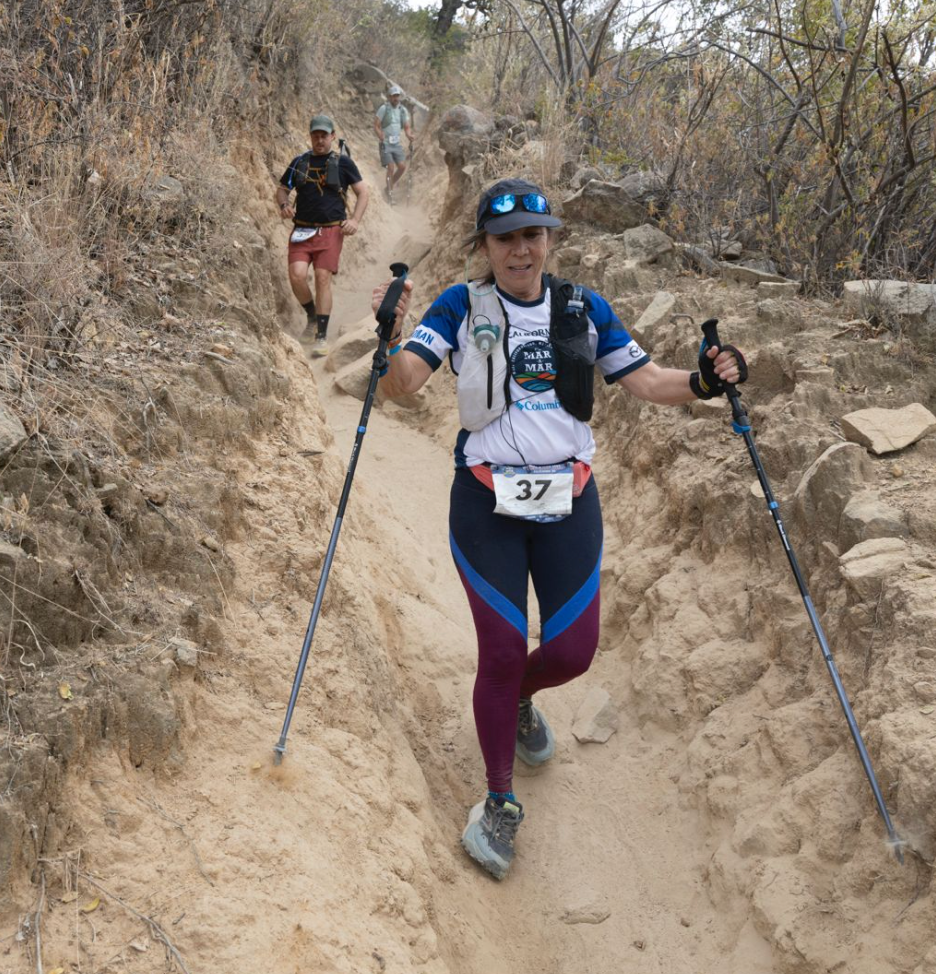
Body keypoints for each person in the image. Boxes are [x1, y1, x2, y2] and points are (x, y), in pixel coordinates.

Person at [370, 178, 748, 880]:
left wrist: (704, 380)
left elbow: (649, 381)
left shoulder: (583, 308)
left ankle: (517, 701)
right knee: (505, 648)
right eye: (506, 236)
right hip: (485, 504)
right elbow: (404, 384)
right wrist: (391, 339)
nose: (521, 248)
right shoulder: (462, 306)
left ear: (550, 241)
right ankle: (500, 801)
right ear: (484, 245)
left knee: (573, 651)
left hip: (569, 499)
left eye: (533, 234)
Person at [276, 114, 369, 357]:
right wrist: (284, 204)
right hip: (302, 230)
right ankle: (312, 316)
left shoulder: (343, 163)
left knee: (322, 276)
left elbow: (363, 193)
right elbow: (282, 188)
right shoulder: (299, 162)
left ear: (332, 137)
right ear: (310, 136)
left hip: (331, 230)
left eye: (324, 135)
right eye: (315, 135)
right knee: (297, 276)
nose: (319, 140)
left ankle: (321, 336)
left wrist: (355, 220)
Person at [373, 84, 414, 204]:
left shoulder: (403, 110)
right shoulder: (384, 108)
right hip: (386, 143)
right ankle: (390, 194)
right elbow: (376, 125)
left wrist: (409, 135)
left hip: (396, 144)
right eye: (394, 96)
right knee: (390, 167)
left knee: (402, 167)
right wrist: (379, 134)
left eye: (398, 96)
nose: (396, 98)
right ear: (390, 97)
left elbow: (406, 127)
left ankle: (388, 187)